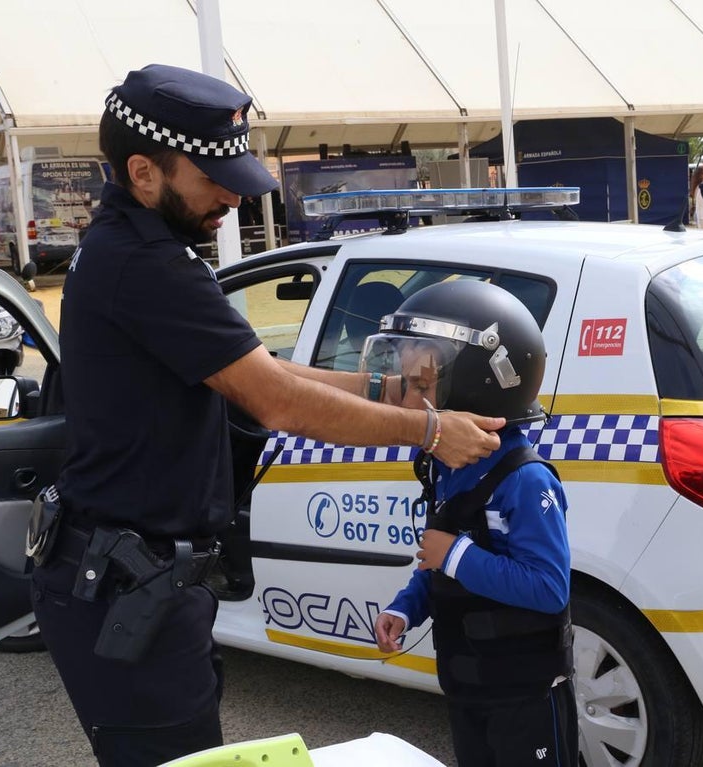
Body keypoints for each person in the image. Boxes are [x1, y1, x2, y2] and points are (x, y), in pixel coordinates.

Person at [32, 64, 504, 767]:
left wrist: (386, 388)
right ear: (143, 171)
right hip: (126, 587)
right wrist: (429, 430)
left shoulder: (134, 250)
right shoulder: (147, 265)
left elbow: (257, 367)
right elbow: (274, 400)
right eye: (213, 178)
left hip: (136, 582)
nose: (231, 195)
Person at [371, 279, 578, 767]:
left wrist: (456, 555)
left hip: (524, 692)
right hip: (469, 683)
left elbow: (550, 587)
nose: (411, 400)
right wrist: (406, 609)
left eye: (423, 386)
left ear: (477, 385)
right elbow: (438, 560)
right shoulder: (450, 466)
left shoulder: (524, 480)